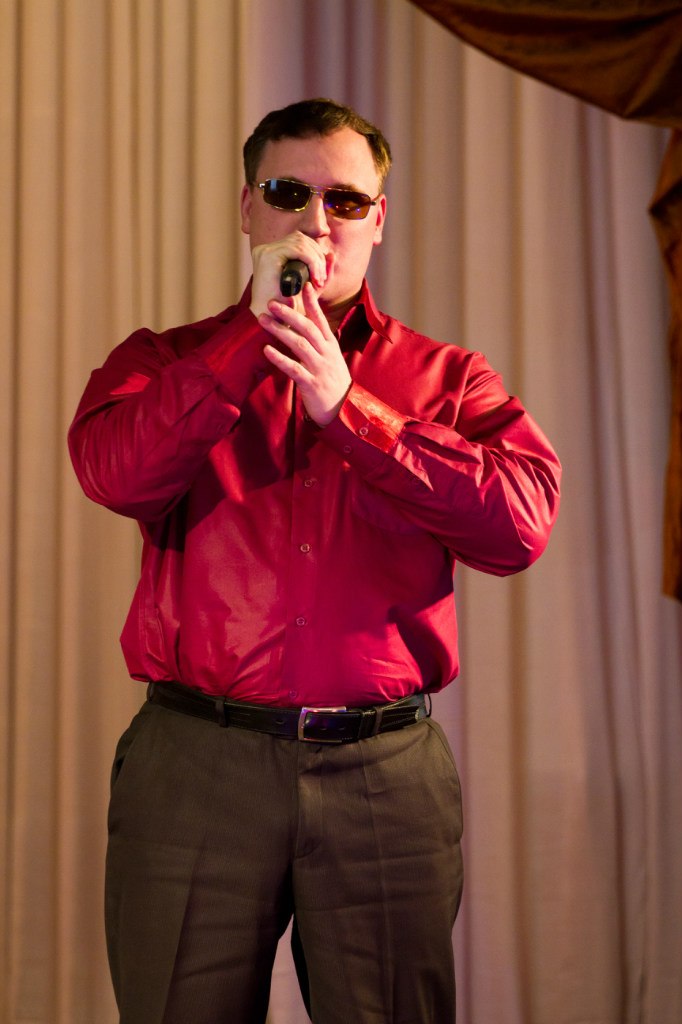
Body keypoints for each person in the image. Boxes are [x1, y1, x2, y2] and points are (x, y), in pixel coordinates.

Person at [68, 98, 561, 1024]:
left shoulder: (450, 379)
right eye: (289, 193)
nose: (316, 221)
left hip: (385, 773)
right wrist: (244, 346)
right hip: (196, 766)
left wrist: (351, 413)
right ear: (247, 208)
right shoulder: (163, 359)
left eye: (345, 200)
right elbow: (114, 475)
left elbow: (520, 527)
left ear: (378, 219)